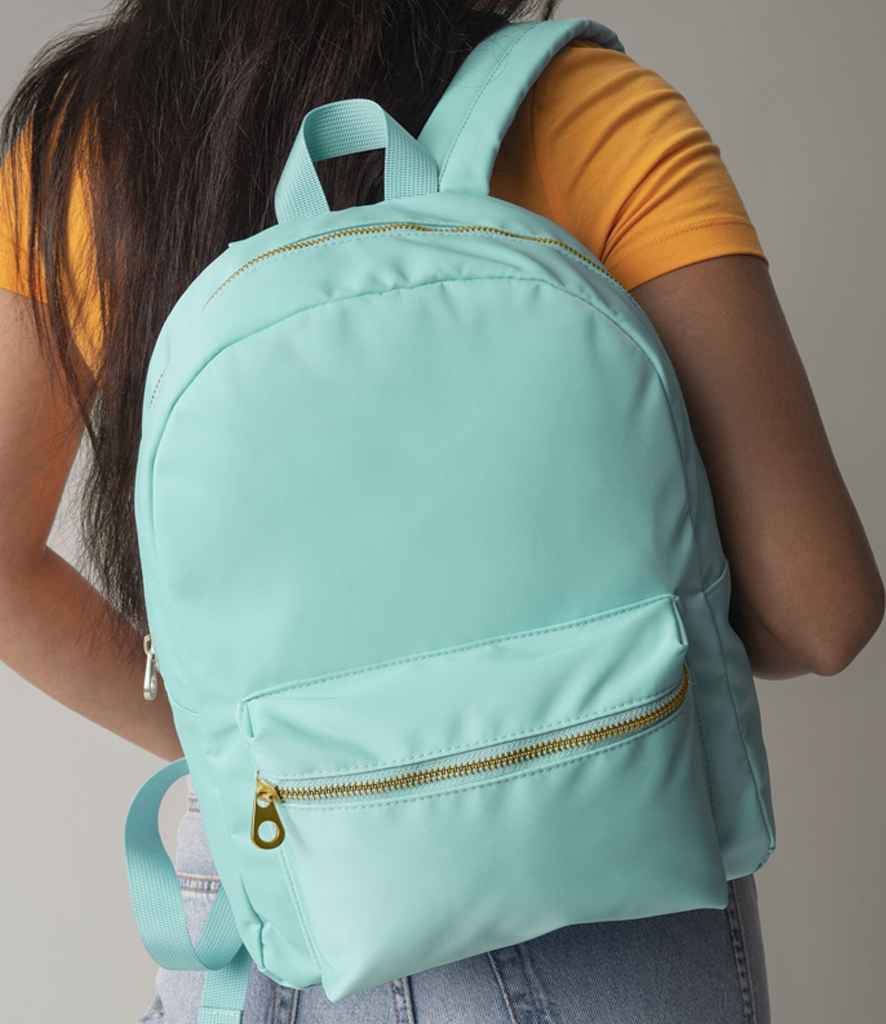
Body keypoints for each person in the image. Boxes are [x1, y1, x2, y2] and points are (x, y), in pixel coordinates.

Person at [0, 3, 882, 1023]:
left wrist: (263, 756)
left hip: (270, 895)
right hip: (591, 887)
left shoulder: (84, 144)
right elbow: (821, 614)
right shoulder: (588, 112)